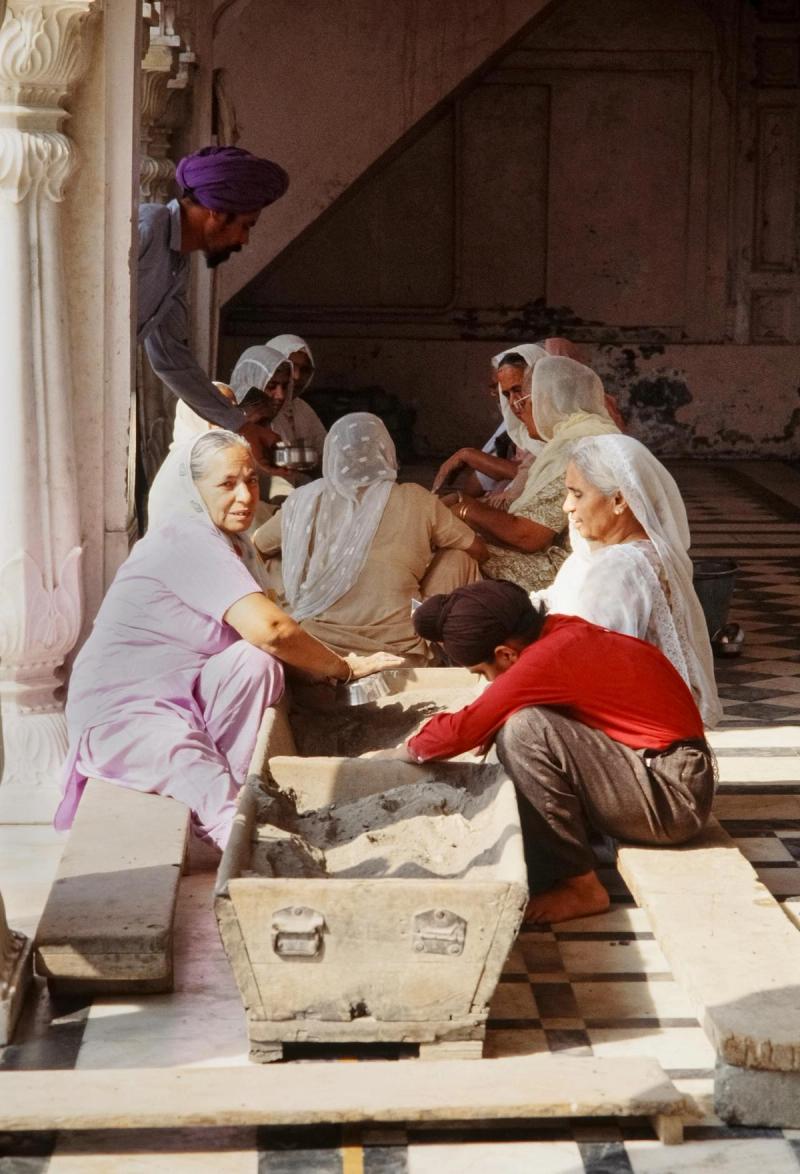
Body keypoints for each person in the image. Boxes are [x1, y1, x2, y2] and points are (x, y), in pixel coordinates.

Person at [55, 431, 401, 850]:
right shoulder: (184, 537)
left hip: (183, 697)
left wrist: (318, 677)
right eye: (226, 484)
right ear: (193, 490)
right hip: (125, 713)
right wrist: (343, 667)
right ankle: (236, 832)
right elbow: (272, 630)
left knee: (257, 665)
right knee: (188, 760)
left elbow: (268, 646)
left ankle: (236, 794)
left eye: (251, 480)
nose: (245, 496)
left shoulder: (232, 544)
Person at [378, 580, 716, 924]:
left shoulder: (547, 657)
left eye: (483, 672)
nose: (489, 681)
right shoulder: (561, 631)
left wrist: (400, 753)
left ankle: (580, 888)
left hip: (674, 798)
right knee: (521, 723)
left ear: (505, 654)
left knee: (523, 730)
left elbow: (462, 729)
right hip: (662, 772)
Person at [252, 413, 488, 663]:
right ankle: (457, 652)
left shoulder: (304, 501)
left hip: (317, 645)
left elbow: (256, 547)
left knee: (272, 561)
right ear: (387, 453)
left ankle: (283, 627)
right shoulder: (416, 498)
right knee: (459, 558)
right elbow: (479, 550)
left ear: (333, 456)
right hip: (400, 646)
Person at [533, 433, 721, 727]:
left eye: (577, 494)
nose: (567, 506)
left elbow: (585, 663)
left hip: (630, 731)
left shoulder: (620, 567)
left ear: (619, 499)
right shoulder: (634, 554)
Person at [138, 144, 288, 439]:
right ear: (217, 213)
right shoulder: (147, 227)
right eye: (245, 226)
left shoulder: (177, 264)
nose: (244, 240)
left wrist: (242, 426)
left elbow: (171, 358)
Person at [444, 355, 619, 592]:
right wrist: (460, 504)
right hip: (556, 558)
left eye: (524, 399)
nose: (516, 407)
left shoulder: (575, 448)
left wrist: (464, 510)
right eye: (508, 396)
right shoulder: (571, 439)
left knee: (457, 550)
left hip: (567, 572)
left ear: (549, 400)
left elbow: (528, 537)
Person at [431, 344, 546, 499]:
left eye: (518, 390)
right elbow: (482, 478)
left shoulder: (553, 429)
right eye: (506, 394)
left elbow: (531, 474)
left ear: (540, 382)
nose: (513, 402)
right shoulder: (519, 428)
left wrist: (467, 455)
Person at [266, 334, 328, 456]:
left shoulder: (303, 408)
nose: (297, 376)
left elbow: (325, 450)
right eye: (291, 366)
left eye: (304, 370)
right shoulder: (256, 410)